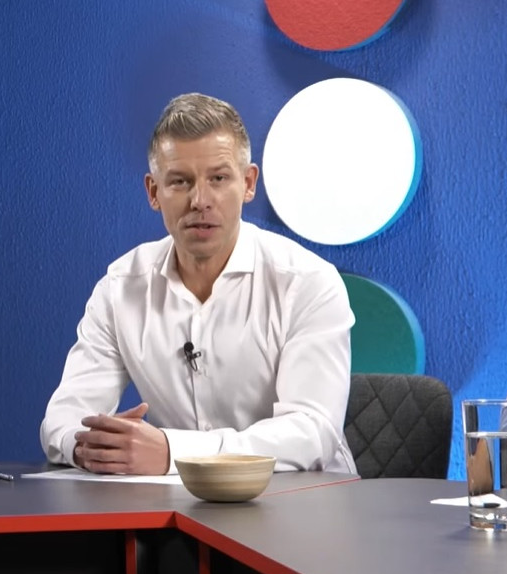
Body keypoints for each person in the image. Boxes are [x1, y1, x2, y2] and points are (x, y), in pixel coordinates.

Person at [40, 93, 356, 475]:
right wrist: (94, 448)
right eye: (180, 182)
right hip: (176, 504)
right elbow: (63, 420)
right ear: (154, 192)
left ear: (249, 183)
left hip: (306, 499)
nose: (200, 200)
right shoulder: (120, 288)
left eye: (218, 179)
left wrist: (173, 452)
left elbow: (312, 434)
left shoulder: (307, 282)